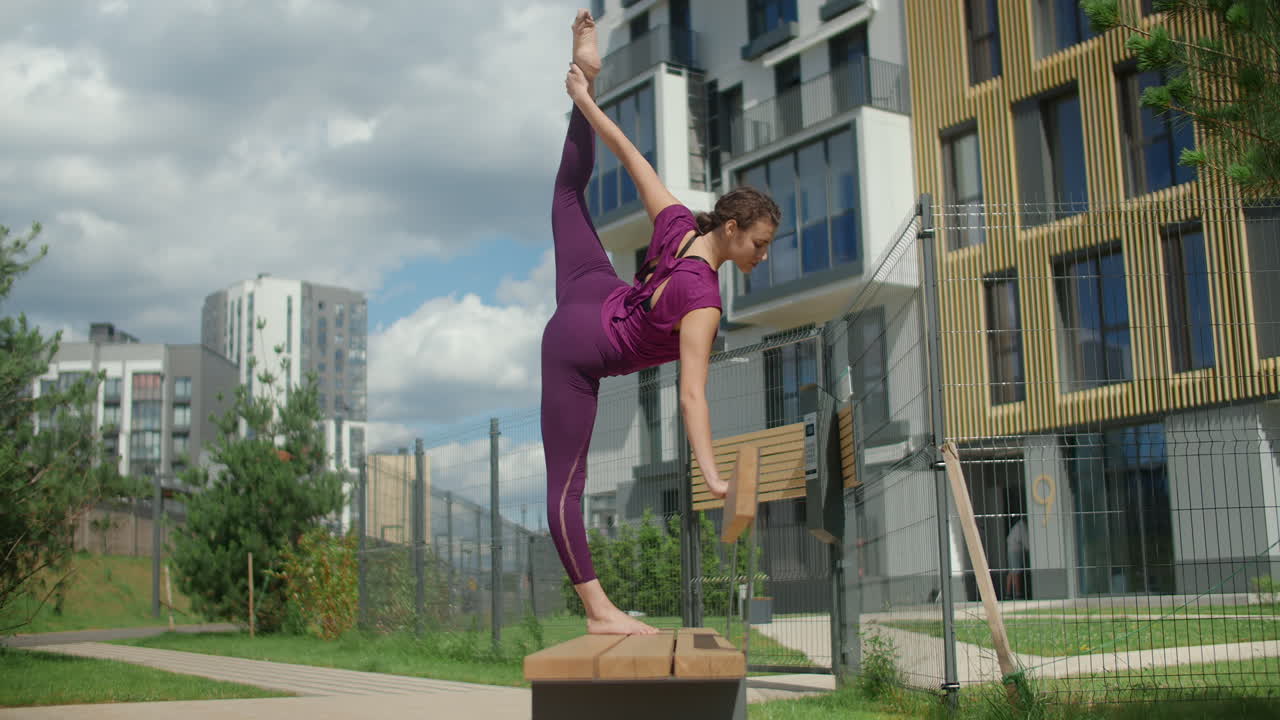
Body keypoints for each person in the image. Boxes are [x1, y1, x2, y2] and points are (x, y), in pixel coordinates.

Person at [543, 9, 781, 636]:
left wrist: (584, 95)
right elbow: (693, 394)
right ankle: (598, 612)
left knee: (568, 199)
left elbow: (627, 153)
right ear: (732, 231)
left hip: (589, 287)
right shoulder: (702, 300)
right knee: (567, 484)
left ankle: (581, 71)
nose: (762, 255)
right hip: (578, 347)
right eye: (758, 243)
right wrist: (710, 474)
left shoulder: (679, 223)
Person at [1005, 516, 1028, 600]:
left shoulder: (1016, 527)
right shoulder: (1021, 527)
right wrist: (1029, 549)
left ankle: (1008, 593)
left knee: (1011, 571)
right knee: (1016, 571)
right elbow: (1025, 541)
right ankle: (1018, 593)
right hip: (1016, 550)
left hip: (1011, 549)